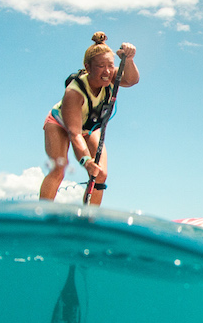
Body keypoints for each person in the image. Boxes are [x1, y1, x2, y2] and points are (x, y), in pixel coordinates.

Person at [40, 32, 140, 204]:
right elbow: (75, 133)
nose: (107, 71)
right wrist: (86, 161)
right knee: (59, 169)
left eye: (111, 65)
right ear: (88, 67)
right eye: (101, 66)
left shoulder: (111, 77)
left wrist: (129, 59)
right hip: (60, 124)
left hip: (88, 127)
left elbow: (131, 80)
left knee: (100, 174)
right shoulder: (74, 92)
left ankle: (89, 221)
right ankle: (41, 215)